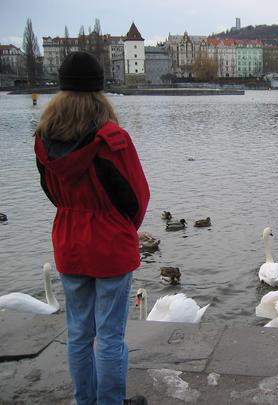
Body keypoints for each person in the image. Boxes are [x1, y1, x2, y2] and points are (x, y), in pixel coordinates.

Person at [34, 51, 150, 405]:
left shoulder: (43, 141)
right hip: (110, 244)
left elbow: (50, 191)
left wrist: (75, 214)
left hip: (68, 240)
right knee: (110, 336)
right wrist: (120, 227)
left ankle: (84, 401)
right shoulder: (112, 140)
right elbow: (137, 197)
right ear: (99, 94)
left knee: (78, 333)